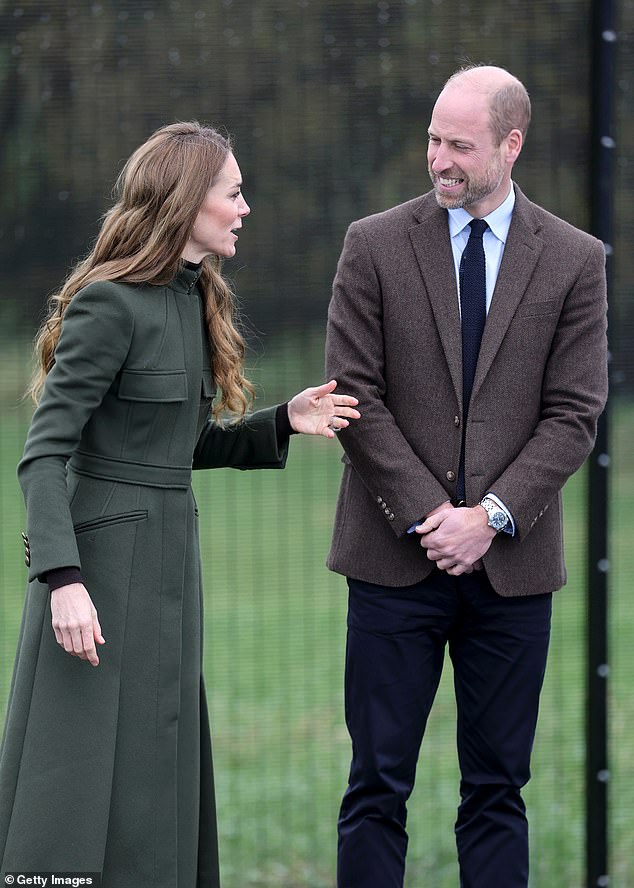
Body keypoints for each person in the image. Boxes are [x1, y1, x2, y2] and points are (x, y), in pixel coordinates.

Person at [0, 121, 359, 888]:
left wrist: (279, 424)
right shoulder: (109, 305)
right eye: (232, 194)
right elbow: (43, 454)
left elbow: (176, 445)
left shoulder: (196, 298)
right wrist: (62, 581)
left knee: (155, 760)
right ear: (187, 203)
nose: (245, 208)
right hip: (96, 580)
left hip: (168, 564)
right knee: (82, 766)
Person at [325, 65, 608, 888]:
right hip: (391, 564)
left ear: (511, 145)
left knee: (497, 792)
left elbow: (574, 414)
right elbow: (354, 395)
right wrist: (431, 516)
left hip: (511, 573)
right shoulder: (372, 244)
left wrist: (488, 516)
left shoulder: (576, 260)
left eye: (459, 144)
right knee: (376, 788)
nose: (438, 159)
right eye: (431, 140)